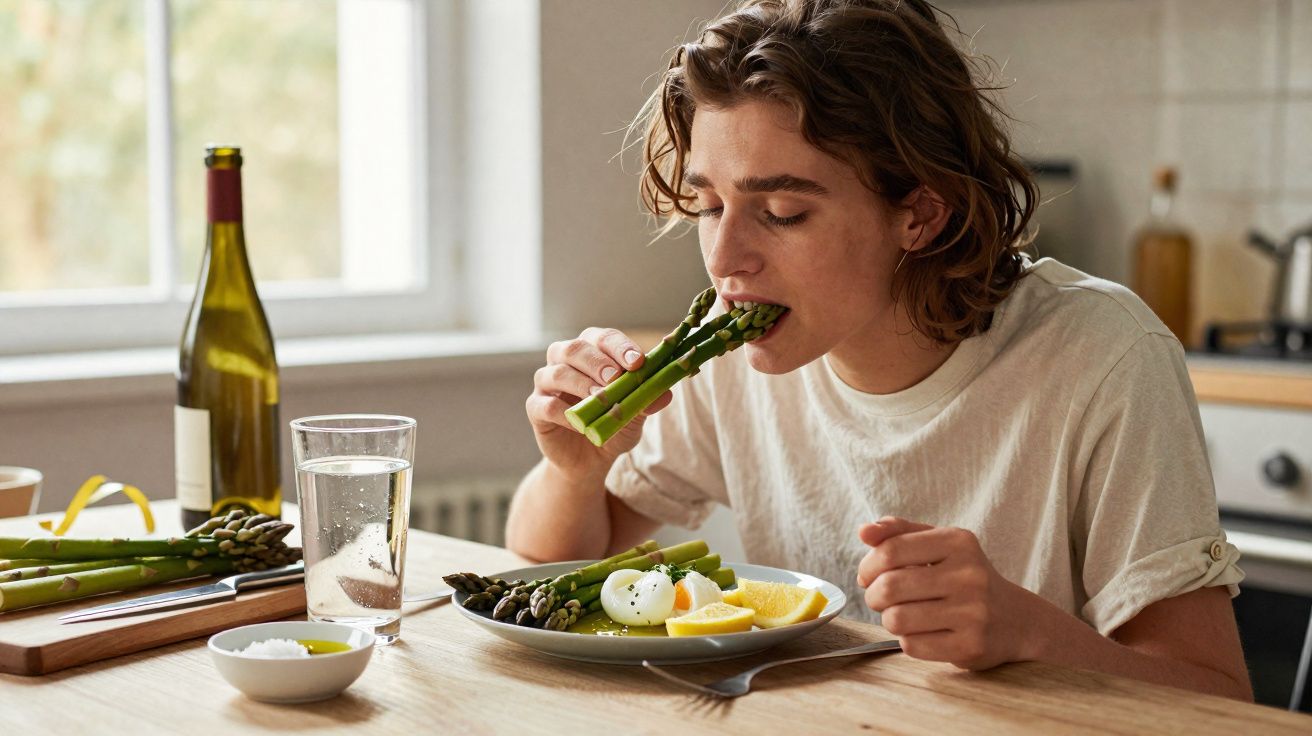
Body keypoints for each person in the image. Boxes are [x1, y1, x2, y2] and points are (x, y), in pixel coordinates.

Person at [507, 0, 1251, 700]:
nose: (726, 258)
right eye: (709, 206)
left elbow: (1224, 701)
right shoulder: (728, 349)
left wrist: (1029, 632)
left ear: (920, 214)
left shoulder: (1104, 358)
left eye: (783, 213)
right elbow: (547, 573)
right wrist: (575, 470)